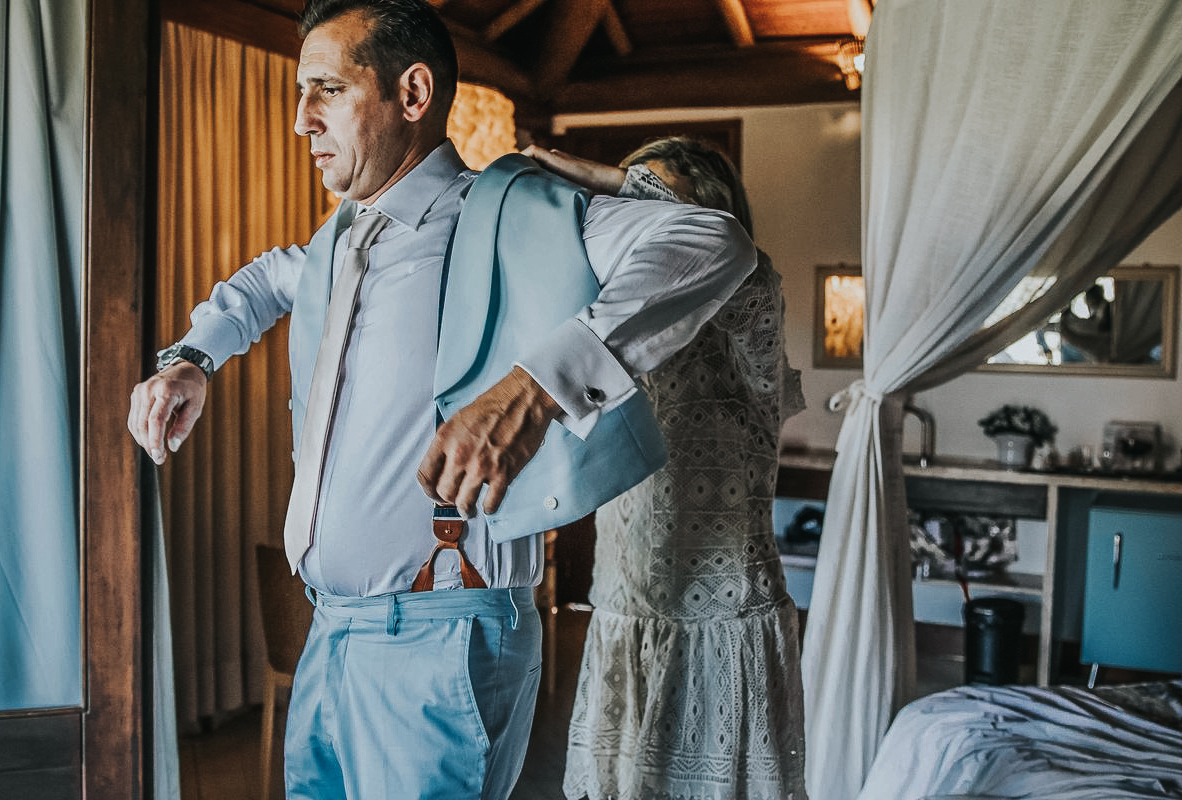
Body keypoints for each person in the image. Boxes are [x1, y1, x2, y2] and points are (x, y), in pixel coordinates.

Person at [126, 1, 756, 798]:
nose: (301, 121)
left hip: (441, 638)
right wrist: (191, 359)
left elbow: (712, 243)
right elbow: (262, 280)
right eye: (299, 94)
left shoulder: (513, 213)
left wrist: (536, 387)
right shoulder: (342, 238)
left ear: (413, 93)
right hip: (331, 632)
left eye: (325, 90)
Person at [526, 138, 808, 800]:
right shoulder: (625, 331)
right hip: (628, 602)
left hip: (722, 618)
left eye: (654, 206)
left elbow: (723, 251)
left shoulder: (751, 303)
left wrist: (612, 179)